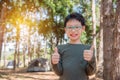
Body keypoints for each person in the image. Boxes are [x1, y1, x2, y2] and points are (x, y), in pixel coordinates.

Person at [51, 12, 96, 80]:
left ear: (83, 28)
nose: (73, 30)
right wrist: (54, 62)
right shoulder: (59, 49)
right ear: (65, 30)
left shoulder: (88, 49)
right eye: (69, 27)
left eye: (77, 27)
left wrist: (91, 60)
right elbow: (59, 72)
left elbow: (90, 72)